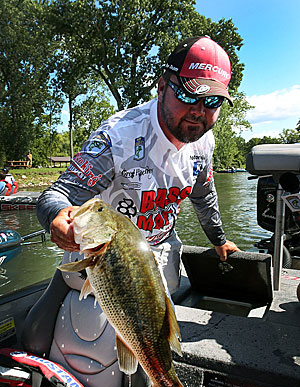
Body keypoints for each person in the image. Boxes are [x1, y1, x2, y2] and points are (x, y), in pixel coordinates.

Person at [36, 36, 240, 295]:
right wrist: (56, 216)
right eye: (189, 95)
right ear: (162, 87)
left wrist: (218, 241)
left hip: (161, 248)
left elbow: (203, 195)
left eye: (213, 101)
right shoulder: (118, 138)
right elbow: (57, 194)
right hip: (108, 257)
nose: (199, 111)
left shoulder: (204, 142)